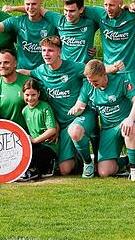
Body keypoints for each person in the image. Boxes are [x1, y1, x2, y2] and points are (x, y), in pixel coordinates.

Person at [27, 36, 117, 177]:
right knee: (65, 170)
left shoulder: (74, 67)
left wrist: (115, 68)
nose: (46, 54)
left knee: (76, 131)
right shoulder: (41, 70)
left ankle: (89, 163)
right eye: (43, 50)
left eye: (50, 50)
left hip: (80, 116)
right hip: (61, 124)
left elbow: (97, 71)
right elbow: (27, 72)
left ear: (59, 52)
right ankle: (79, 159)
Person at [69, 59, 135, 181]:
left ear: (104, 74)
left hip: (125, 122)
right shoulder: (88, 85)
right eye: (90, 80)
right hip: (108, 128)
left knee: (130, 128)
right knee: (104, 172)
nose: (92, 84)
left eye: (95, 81)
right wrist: (76, 109)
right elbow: (80, 105)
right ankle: (127, 160)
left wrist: (130, 119)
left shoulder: (121, 80)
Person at [82, 0, 135, 89]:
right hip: (108, 71)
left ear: (120, 3)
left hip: (130, 71)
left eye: (112, 5)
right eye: (105, 5)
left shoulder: (133, 14)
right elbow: (75, 6)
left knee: (134, 102)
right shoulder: (100, 14)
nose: (108, 8)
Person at [0, 0, 57, 70]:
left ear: (41, 4)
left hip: (45, 74)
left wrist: (13, 8)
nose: (30, 7)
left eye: (34, 4)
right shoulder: (17, 21)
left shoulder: (51, 23)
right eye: (27, 4)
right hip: (22, 73)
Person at [46, 0, 99, 64]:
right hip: (65, 68)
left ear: (81, 10)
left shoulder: (90, 23)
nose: (68, 14)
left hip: (84, 69)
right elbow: (36, 9)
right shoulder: (60, 21)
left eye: (72, 11)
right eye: (65, 10)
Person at [19, 79, 58, 181]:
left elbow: (52, 130)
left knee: (36, 155)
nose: (30, 98)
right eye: (27, 95)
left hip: (48, 145)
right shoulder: (24, 111)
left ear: (39, 94)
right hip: (35, 144)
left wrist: (35, 140)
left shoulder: (45, 107)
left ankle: (49, 164)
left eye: (33, 95)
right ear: (23, 94)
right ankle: (34, 170)